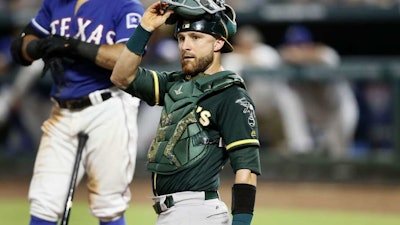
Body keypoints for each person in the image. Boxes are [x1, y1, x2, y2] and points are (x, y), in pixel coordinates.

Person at [111, 1, 261, 225]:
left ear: (219, 42)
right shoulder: (175, 84)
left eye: (196, 37)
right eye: (181, 38)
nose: (185, 46)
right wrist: (145, 28)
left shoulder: (232, 95)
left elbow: (246, 171)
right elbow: (121, 77)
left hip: (197, 212)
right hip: (174, 213)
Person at [9, 0, 144, 225]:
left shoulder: (125, 5)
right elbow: (21, 47)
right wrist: (37, 47)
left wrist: (73, 46)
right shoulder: (55, 3)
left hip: (107, 107)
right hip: (62, 109)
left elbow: (125, 57)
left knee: (108, 204)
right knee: (44, 202)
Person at [222, 25, 313, 154]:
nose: (246, 44)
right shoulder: (232, 57)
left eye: (250, 41)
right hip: (248, 103)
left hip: (271, 102)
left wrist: (247, 58)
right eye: (243, 41)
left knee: (288, 96)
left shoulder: (265, 51)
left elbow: (269, 66)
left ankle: (301, 146)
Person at [278, 24, 359, 159]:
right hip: (317, 114)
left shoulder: (327, 54)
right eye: (292, 45)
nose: (297, 49)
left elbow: (323, 55)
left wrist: (300, 56)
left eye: (301, 44)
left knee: (339, 159)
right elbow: (277, 57)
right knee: (287, 95)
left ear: (311, 44)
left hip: (340, 113)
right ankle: (301, 148)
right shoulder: (285, 62)